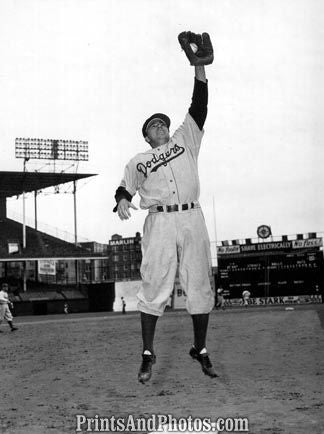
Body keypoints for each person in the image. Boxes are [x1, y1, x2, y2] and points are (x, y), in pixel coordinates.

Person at [113, 31, 216, 383]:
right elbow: (124, 187)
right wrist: (124, 199)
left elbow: (199, 105)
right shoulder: (139, 160)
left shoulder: (185, 138)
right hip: (159, 222)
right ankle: (147, 353)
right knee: (154, 285)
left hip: (192, 216)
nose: (159, 126)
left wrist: (199, 69)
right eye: (152, 125)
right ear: (146, 136)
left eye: (162, 122)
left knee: (200, 283)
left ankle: (200, 348)